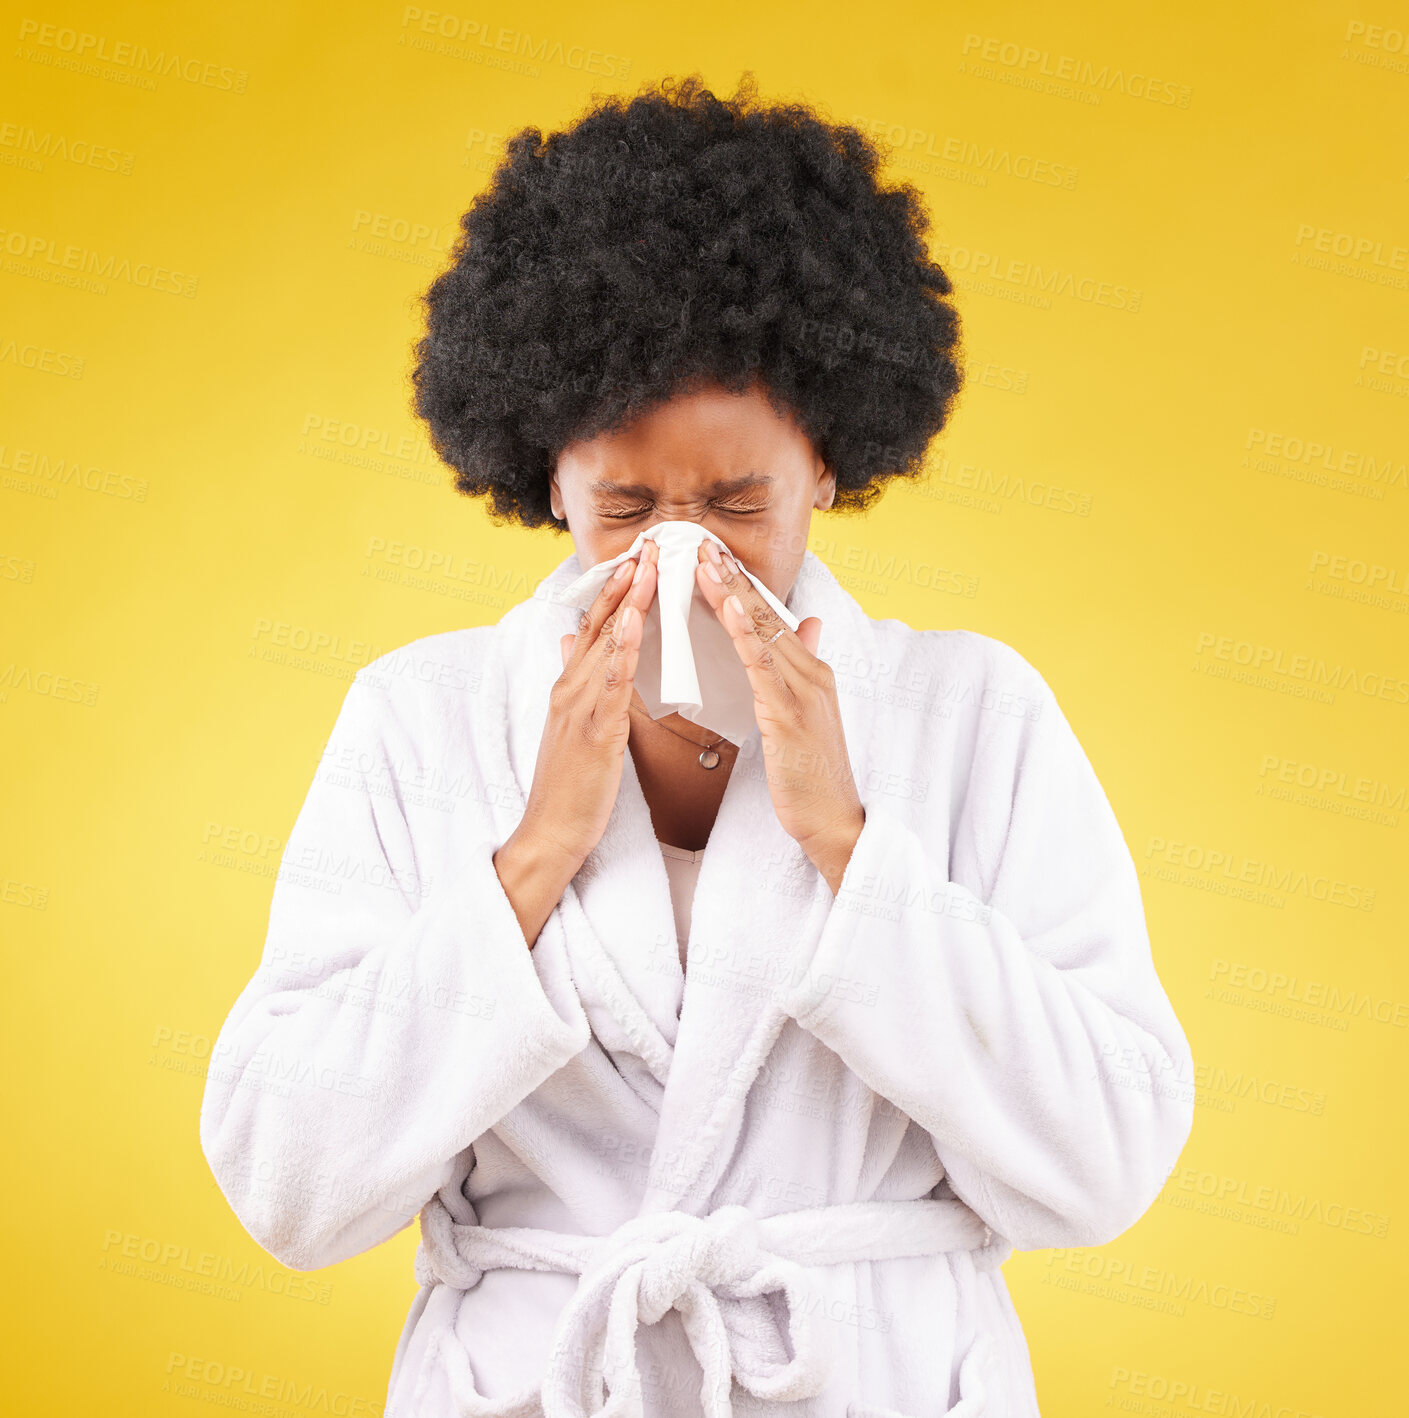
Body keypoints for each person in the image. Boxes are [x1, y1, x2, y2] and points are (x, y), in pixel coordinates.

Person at [200, 73, 1195, 1418]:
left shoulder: (972, 714)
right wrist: (533, 854)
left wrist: (849, 848)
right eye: (623, 506)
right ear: (545, 474)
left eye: (737, 504)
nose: (682, 554)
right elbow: (287, 1182)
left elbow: (1105, 1159)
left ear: (829, 467)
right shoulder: (417, 719)